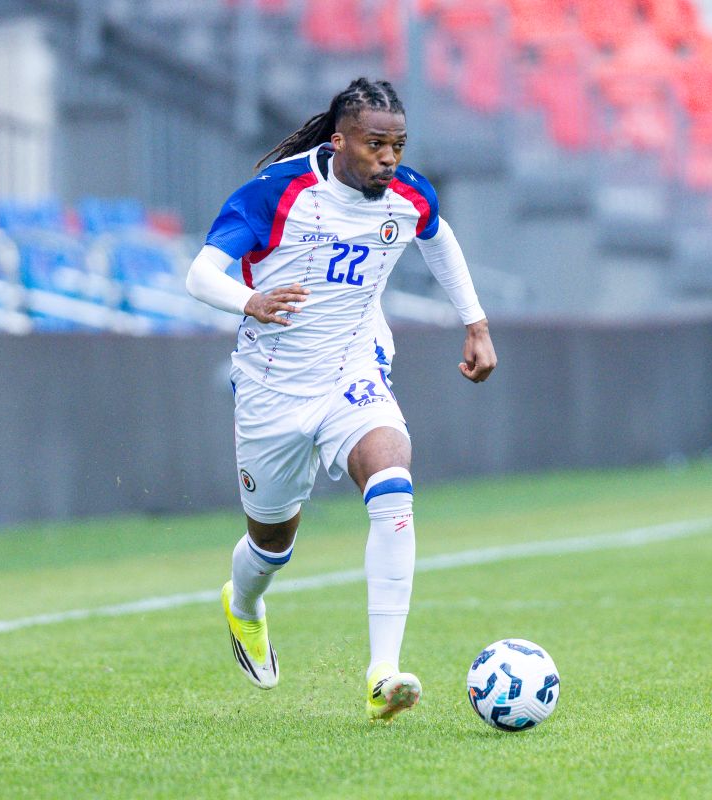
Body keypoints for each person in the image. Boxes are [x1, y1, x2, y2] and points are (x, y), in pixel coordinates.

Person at [184, 77, 496, 721]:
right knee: (271, 545)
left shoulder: (408, 195)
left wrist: (475, 320)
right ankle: (243, 606)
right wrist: (251, 300)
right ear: (339, 141)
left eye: (398, 145)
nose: (389, 158)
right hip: (273, 386)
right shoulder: (277, 194)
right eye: (375, 144)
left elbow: (438, 237)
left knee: (393, 485)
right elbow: (199, 273)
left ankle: (384, 672)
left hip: (353, 368)